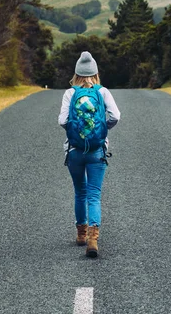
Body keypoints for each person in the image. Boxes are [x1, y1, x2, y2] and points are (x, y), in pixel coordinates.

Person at [58, 51, 121, 258]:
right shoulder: (102, 92)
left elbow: (63, 120)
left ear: (76, 73)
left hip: (75, 151)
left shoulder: (70, 93)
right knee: (94, 194)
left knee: (80, 192)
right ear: (95, 73)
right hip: (97, 150)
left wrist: (75, 132)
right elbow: (115, 116)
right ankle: (93, 239)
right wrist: (102, 129)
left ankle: (81, 234)